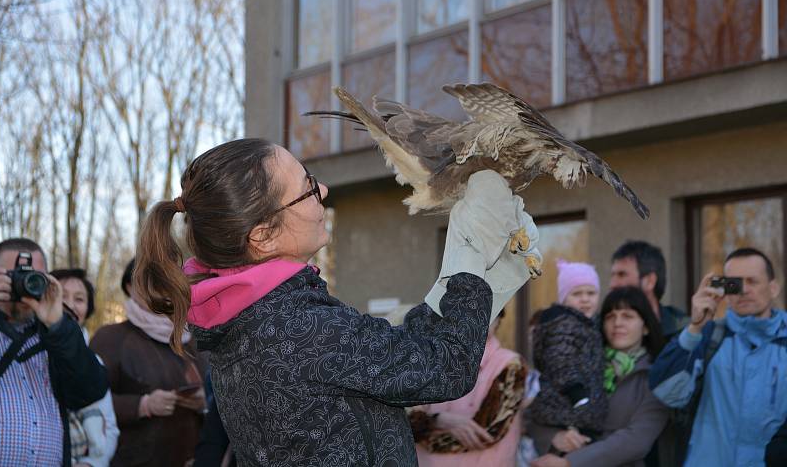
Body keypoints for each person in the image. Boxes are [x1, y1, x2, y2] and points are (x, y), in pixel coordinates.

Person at [132, 138, 540, 466]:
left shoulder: (248, 318)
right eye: (307, 187)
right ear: (263, 236)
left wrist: (468, 283)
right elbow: (444, 370)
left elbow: (399, 358)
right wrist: (470, 265)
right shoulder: (299, 326)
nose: (323, 190)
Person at [649, 247, 787, 467]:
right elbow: (667, 393)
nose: (744, 290)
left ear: (773, 288)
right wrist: (694, 328)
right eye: (735, 284)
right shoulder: (710, 336)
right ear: (724, 290)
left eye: (753, 281)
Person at [0, 238, 108, 466]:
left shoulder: (55, 335)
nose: (25, 282)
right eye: (13, 276)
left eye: (35, 276)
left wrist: (59, 326)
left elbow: (91, 391)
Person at [532, 286, 669, 467]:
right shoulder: (576, 365)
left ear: (645, 327)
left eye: (627, 316)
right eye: (610, 316)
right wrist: (554, 436)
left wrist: (570, 463)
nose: (617, 323)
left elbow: (637, 439)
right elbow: (534, 414)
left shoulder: (657, 375)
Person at [90, 259, 208, 467]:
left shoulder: (197, 339)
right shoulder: (110, 338)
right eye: (149, 281)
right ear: (129, 287)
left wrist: (206, 402)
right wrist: (142, 405)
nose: (160, 288)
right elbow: (89, 403)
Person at [408, 309, 527, 466]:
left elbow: (486, 432)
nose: (481, 318)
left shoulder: (510, 364)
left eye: (491, 312)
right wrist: (437, 421)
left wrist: (425, 430)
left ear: (499, 320)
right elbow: (407, 420)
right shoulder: (431, 359)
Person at [526, 260, 608, 451]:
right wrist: (577, 394)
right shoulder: (564, 324)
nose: (585, 299)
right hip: (565, 405)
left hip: (577, 410)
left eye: (591, 293)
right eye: (577, 294)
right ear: (564, 298)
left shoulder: (590, 325)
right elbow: (561, 360)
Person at [51, 268, 120, 467]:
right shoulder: (28, 354)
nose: (69, 305)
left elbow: (110, 428)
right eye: (61, 295)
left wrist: (92, 463)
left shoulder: (94, 363)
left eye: (79, 299)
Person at [610, 241, 688, 339]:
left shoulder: (686, 333)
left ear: (650, 281)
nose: (612, 284)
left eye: (622, 275)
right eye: (612, 275)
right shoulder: (602, 332)